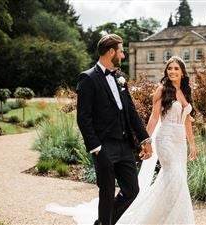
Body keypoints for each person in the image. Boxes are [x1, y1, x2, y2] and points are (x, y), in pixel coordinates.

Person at [75, 33, 153, 225]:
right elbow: (83, 118)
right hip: (104, 147)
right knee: (107, 193)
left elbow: (131, 112)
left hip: (125, 145)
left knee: (132, 190)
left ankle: (102, 223)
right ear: (111, 52)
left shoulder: (119, 78)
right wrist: (96, 148)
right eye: (121, 51)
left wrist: (145, 140)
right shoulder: (88, 78)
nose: (123, 55)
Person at [115, 55, 197, 224]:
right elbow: (153, 118)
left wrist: (192, 144)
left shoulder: (186, 91)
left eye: (176, 68)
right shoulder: (162, 90)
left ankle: (166, 218)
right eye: (169, 68)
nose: (172, 71)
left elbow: (187, 120)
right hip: (165, 139)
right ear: (166, 71)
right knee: (176, 177)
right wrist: (145, 141)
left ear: (182, 72)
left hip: (180, 142)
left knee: (176, 179)